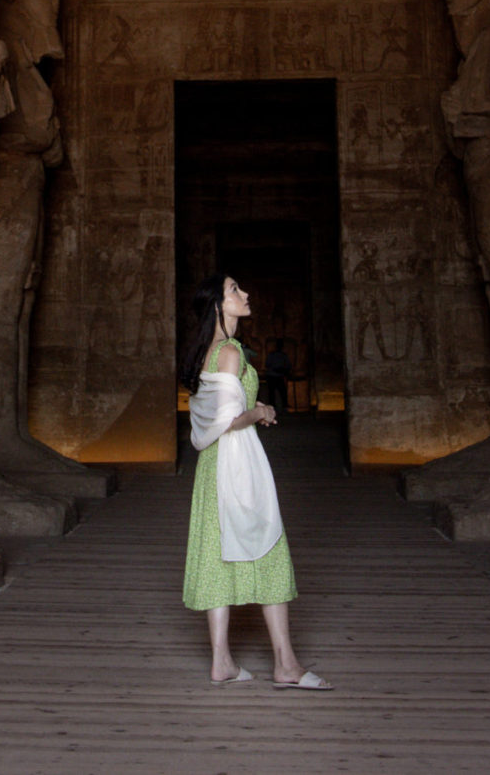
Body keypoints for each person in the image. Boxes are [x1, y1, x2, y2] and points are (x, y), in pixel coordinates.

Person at [180, 274, 331, 689]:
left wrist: (253, 406)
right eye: (234, 291)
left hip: (212, 465)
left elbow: (215, 412)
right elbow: (230, 421)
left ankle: (222, 662)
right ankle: (285, 664)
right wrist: (261, 413)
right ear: (218, 306)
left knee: (216, 554)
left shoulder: (207, 352)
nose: (245, 294)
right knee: (270, 545)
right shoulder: (229, 351)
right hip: (235, 461)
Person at [263, 339, 292, 418]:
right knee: (272, 393)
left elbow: (288, 365)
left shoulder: (283, 355)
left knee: (282, 392)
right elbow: (267, 364)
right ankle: (273, 409)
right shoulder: (272, 355)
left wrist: (282, 370)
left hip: (279, 376)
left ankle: (284, 407)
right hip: (272, 375)